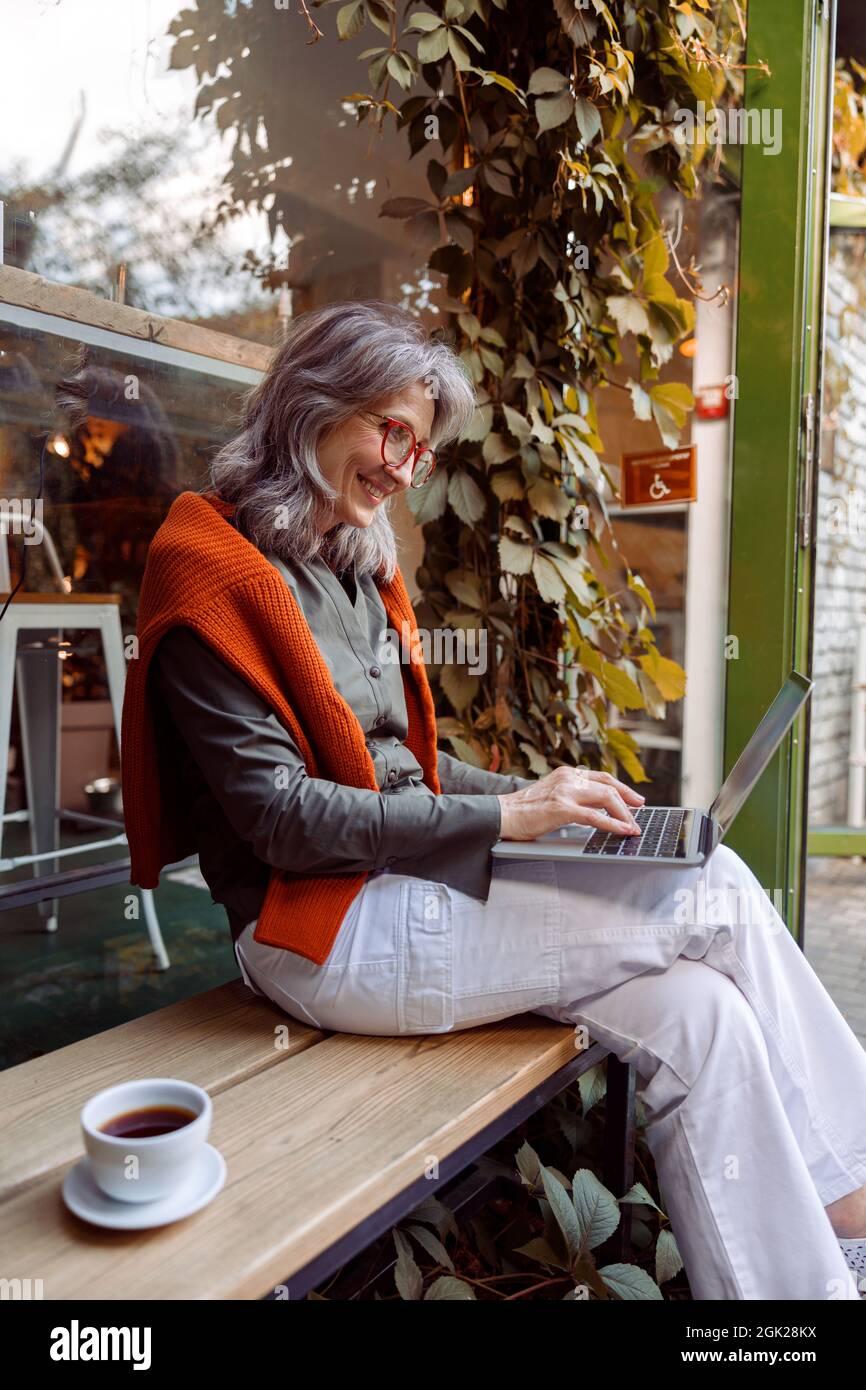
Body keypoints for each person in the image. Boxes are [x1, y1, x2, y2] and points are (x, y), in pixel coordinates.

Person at [130, 299, 866, 1301]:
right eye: (392, 431)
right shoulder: (210, 569)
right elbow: (283, 820)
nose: (403, 467)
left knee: (704, 1019)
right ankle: (852, 1194)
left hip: (399, 891)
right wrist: (506, 821)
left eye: (417, 451)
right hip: (320, 931)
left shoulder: (347, 562)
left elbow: (406, 773)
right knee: (717, 890)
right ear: (315, 402)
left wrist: (538, 798)